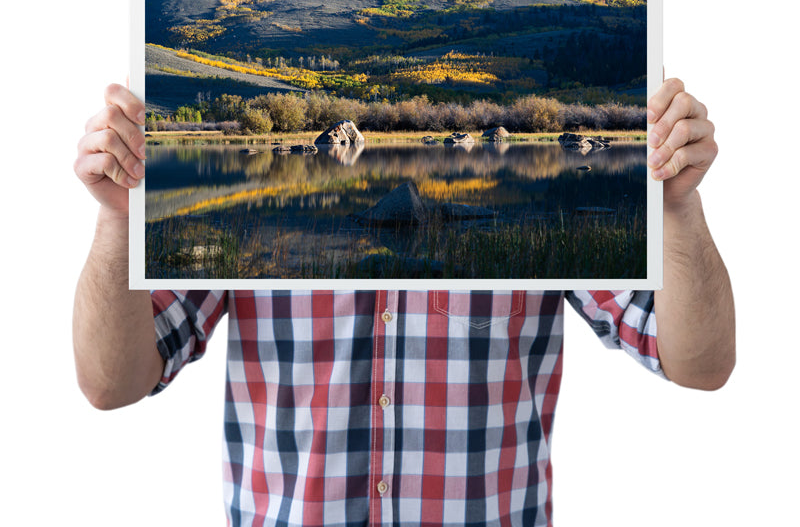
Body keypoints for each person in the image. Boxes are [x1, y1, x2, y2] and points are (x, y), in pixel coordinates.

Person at [73, 79, 735, 527]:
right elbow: (111, 381)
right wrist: (118, 222)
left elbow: (700, 363)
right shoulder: (236, 230)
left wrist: (677, 208)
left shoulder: (547, 232)